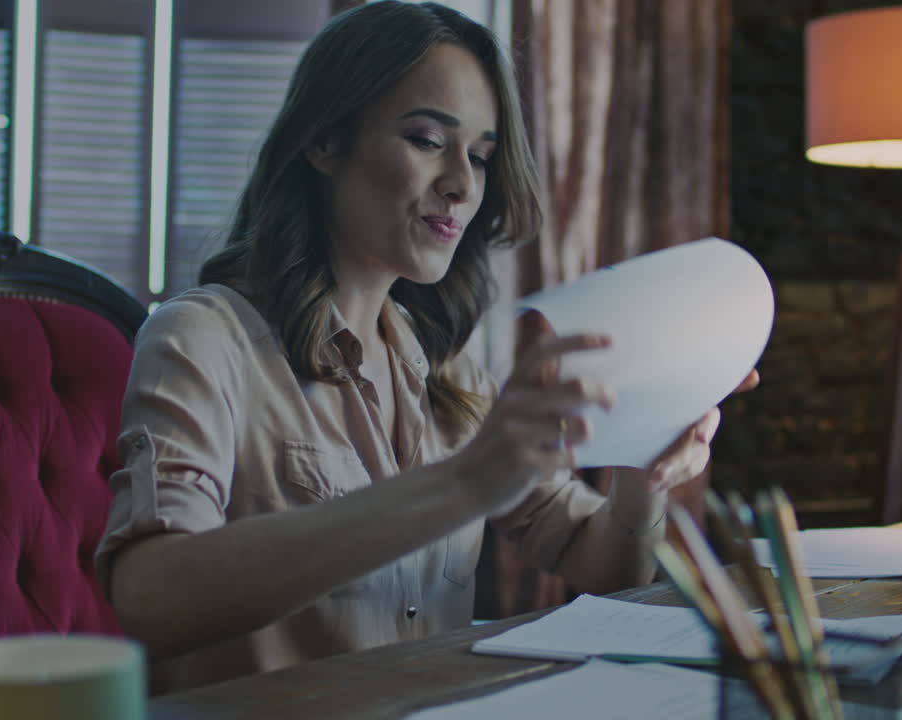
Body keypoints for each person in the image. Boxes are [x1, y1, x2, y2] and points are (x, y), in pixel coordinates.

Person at [95, 0, 757, 694]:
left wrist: (642, 479)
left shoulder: (448, 375)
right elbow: (150, 600)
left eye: (480, 156)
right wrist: (462, 483)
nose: (463, 184)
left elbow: (606, 567)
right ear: (323, 141)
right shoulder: (203, 338)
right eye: (426, 139)